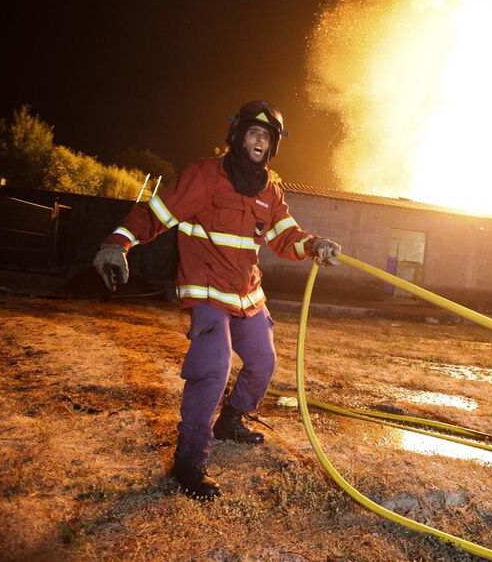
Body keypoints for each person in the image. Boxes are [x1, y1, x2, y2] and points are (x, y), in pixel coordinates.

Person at [93, 100, 341, 500]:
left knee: (263, 362)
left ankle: (231, 421)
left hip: (247, 295)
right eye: (253, 132)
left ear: (273, 147)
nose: (260, 139)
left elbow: (286, 238)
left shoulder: (270, 192)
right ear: (237, 136)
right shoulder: (205, 175)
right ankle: (189, 462)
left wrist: (314, 245)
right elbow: (156, 213)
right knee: (214, 368)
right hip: (206, 290)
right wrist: (117, 243)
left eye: (267, 136)